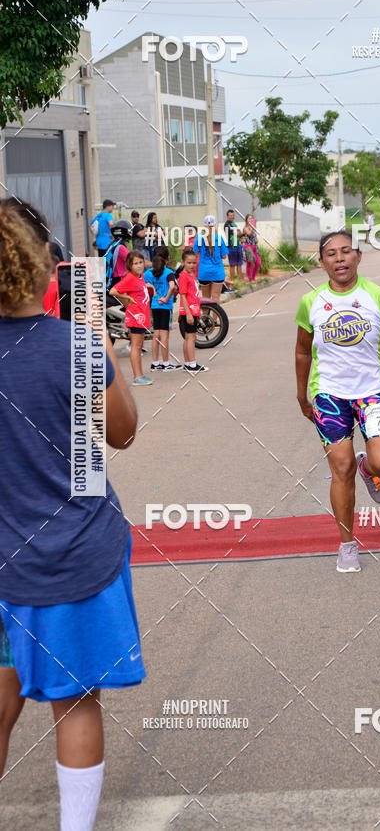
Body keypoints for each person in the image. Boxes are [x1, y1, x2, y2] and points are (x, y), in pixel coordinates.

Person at [0, 199, 144, 830]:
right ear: (42, 267)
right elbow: (122, 433)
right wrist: (98, 351)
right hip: (75, 554)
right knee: (76, 701)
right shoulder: (76, 345)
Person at [295, 229, 380, 573]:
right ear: (322, 261)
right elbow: (301, 351)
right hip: (328, 395)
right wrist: (302, 394)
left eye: (346, 251)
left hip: (372, 392)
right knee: (340, 470)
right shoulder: (311, 303)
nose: (339, 258)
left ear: (358, 256)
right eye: (331, 253)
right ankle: (347, 546)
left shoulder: (378, 297)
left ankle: (368, 468)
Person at [109, 251, 154, 385]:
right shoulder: (130, 278)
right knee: (135, 346)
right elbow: (113, 291)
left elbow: (138, 289)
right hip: (135, 316)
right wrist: (127, 297)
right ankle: (137, 377)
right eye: (135, 263)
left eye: (140, 262)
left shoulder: (139, 277)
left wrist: (147, 286)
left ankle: (140, 374)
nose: (139, 266)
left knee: (139, 346)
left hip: (141, 316)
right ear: (130, 265)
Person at [144, 246, 181, 371]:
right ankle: (166, 363)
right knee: (164, 334)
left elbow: (141, 284)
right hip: (165, 306)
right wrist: (166, 298)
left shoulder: (148, 272)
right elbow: (172, 287)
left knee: (156, 334)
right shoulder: (168, 272)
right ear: (167, 258)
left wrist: (152, 288)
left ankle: (155, 363)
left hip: (154, 305)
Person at [178, 248, 208, 373]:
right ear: (183, 262)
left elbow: (195, 295)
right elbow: (183, 296)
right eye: (189, 263)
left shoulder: (192, 275)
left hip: (193, 311)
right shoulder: (183, 276)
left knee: (188, 337)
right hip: (188, 312)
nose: (192, 265)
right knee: (191, 338)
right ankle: (192, 364)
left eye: (194, 263)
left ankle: (187, 363)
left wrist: (198, 312)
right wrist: (189, 314)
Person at [194, 215, 228, 302]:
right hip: (217, 271)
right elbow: (224, 256)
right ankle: (216, 316)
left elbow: (195, 254)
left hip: (204, 271)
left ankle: (205, 316)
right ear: (214, 225)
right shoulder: (219, 238)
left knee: (206, 298)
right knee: (216, 298)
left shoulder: (199, 237)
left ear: (204, 226)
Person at [225, 208, 243, 285]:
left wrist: (239, 233)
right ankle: (232, 280)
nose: (232, 217)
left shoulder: (234, 224)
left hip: (238, 246)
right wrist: (239, 232)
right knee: (232, 265)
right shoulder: (227, 224)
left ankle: (240, 280)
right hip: (231, 247)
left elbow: (240, 233)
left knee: (239, 264)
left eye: (233, 215)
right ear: (227, 216)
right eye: (230, 215)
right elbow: (237, 233)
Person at [242, 215, 261, 283]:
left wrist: (256, 239)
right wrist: (253, 227)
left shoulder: (253, 228)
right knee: (249, 263)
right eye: (249, 218)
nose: (250, 219)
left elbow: (254, 237)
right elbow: (249, 234)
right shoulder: (245, 228)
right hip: (248, 247)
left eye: (251, 218)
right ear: (246, 220)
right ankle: (250, 279)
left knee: (258, 262)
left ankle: (253, 277)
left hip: (254, 246)